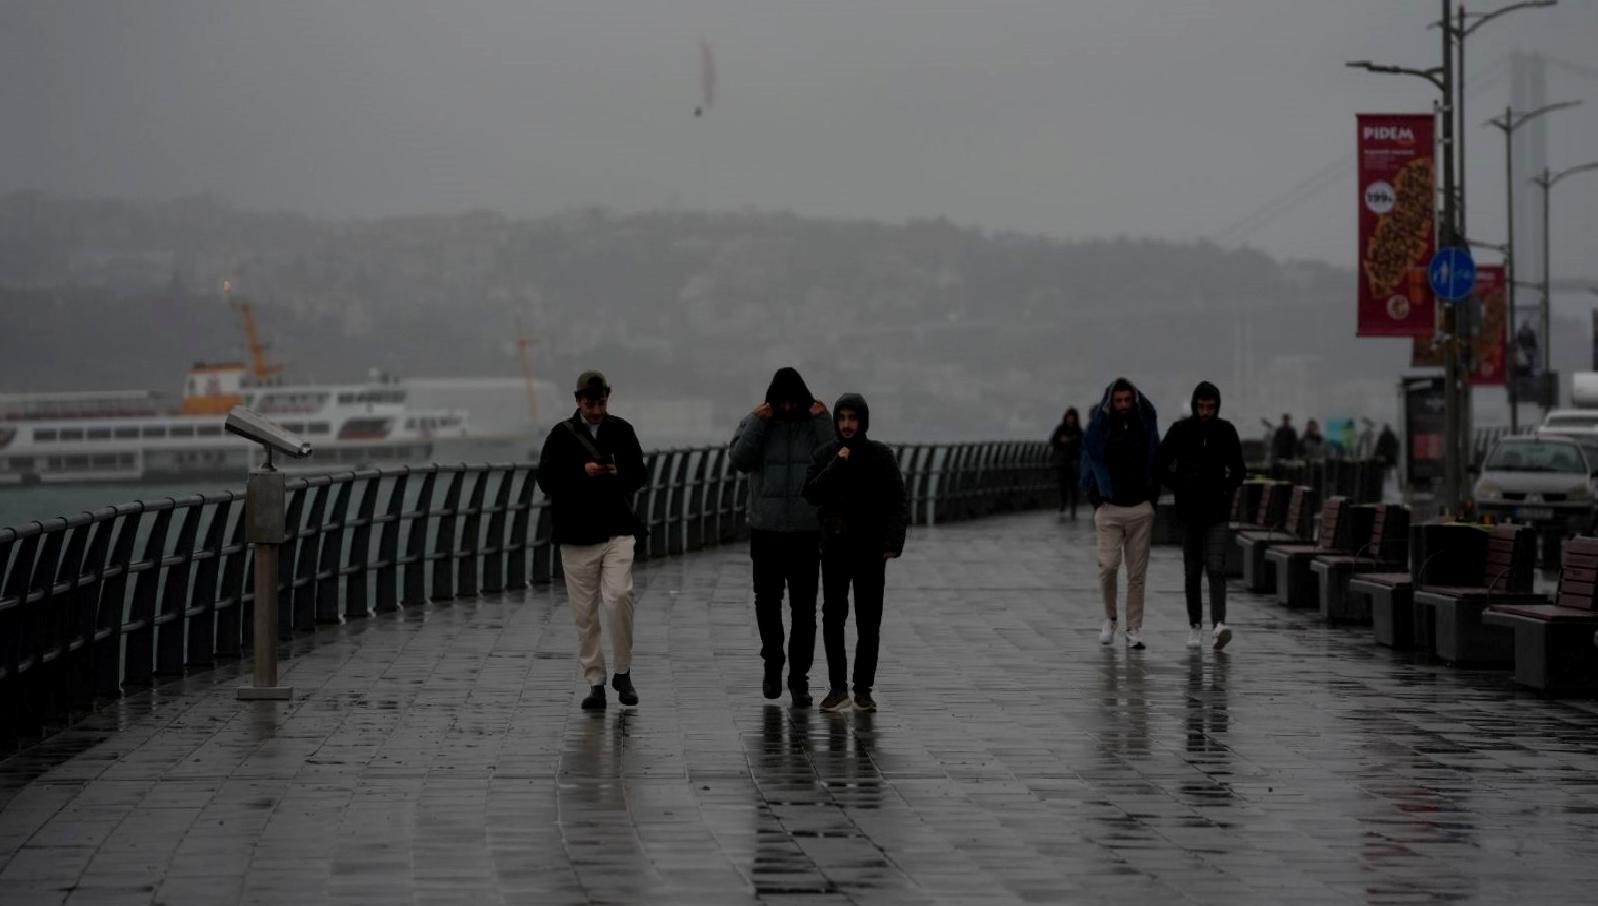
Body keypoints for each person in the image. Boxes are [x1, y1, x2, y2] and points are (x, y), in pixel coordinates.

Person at [536, 370, 647, 711]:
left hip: (617, 528)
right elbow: (546, 479)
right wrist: (581, 472)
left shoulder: (622, 430)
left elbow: (639, 476)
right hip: (576, 534)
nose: (596, 410)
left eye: (600, 403)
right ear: (578, 401)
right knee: (584, 614)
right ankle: (595, 681)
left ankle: (623, 672)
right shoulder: (560, 435)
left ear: (607, 399)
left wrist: (619, 472)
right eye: (590, 403)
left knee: (619, 596)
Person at [729, 367, 834, 707]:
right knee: (767, 602)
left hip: (806, 531)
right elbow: (740, 460)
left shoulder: (814, 424)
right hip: (766, 529)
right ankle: (773, 663)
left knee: (804, 610)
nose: (788, 408)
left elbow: (835, 459)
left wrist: (822, 421)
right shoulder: (757, 421)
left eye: (794, 402)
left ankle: (798, 678)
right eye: (783, 402)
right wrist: (759, 422)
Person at [802, 393, 909, 713]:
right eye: (842, 418)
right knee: (833, 616)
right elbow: (811, 493)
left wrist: (893, 542)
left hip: (871, 549)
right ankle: (837, 689)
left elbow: (897, 501)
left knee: (868, 620)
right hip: (834, 547)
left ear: (863, 420)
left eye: (853, 418)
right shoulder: (826, 454)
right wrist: (838, 463)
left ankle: (863, 689)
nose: (847, 425)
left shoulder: (880, 455)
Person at [1155, 381, 1245, 651]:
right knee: (1192, 571)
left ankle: (1219, 624)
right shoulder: (1180, 431)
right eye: (1201, 406)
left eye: (1211, 407)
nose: (1206, 411)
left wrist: (1225, 490)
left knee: (1216, 567)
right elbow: (1158, 462)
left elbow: (1239, 469)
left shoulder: (1226, 431)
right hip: (1190, 512)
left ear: (1217, 407)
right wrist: (1179, 484)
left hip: (1217, 511)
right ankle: (1195, 625)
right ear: (1195, 406)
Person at [1081, 378, 1160, 650]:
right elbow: (1088, 463)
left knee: (1137, 574)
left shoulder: (1145, 425)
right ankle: (1110, 618)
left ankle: (1133, 628)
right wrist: (1096, 497)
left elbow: (1156, 457)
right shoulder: (1099, 429)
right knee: (1109, 567)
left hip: (1140, 507)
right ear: (1110, 402)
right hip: (1109, 508)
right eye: (1119, 401)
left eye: (1128, 400)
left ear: (1134, 400)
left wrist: (1152, 499)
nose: (1123, 405)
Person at [1049, 408, 1085, 519]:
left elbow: (1082, 444)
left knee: (1074, 485)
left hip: (1074, 461)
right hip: (1062, 462)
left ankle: (1073, 506)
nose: (1071, 420)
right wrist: (1061, 440)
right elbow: (1053, 440)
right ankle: (1063, 502)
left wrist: (1073, 441)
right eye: (1069, 417)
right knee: (1063, 484)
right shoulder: (1060, 429)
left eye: (1073, 418)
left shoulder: (1078, 431)